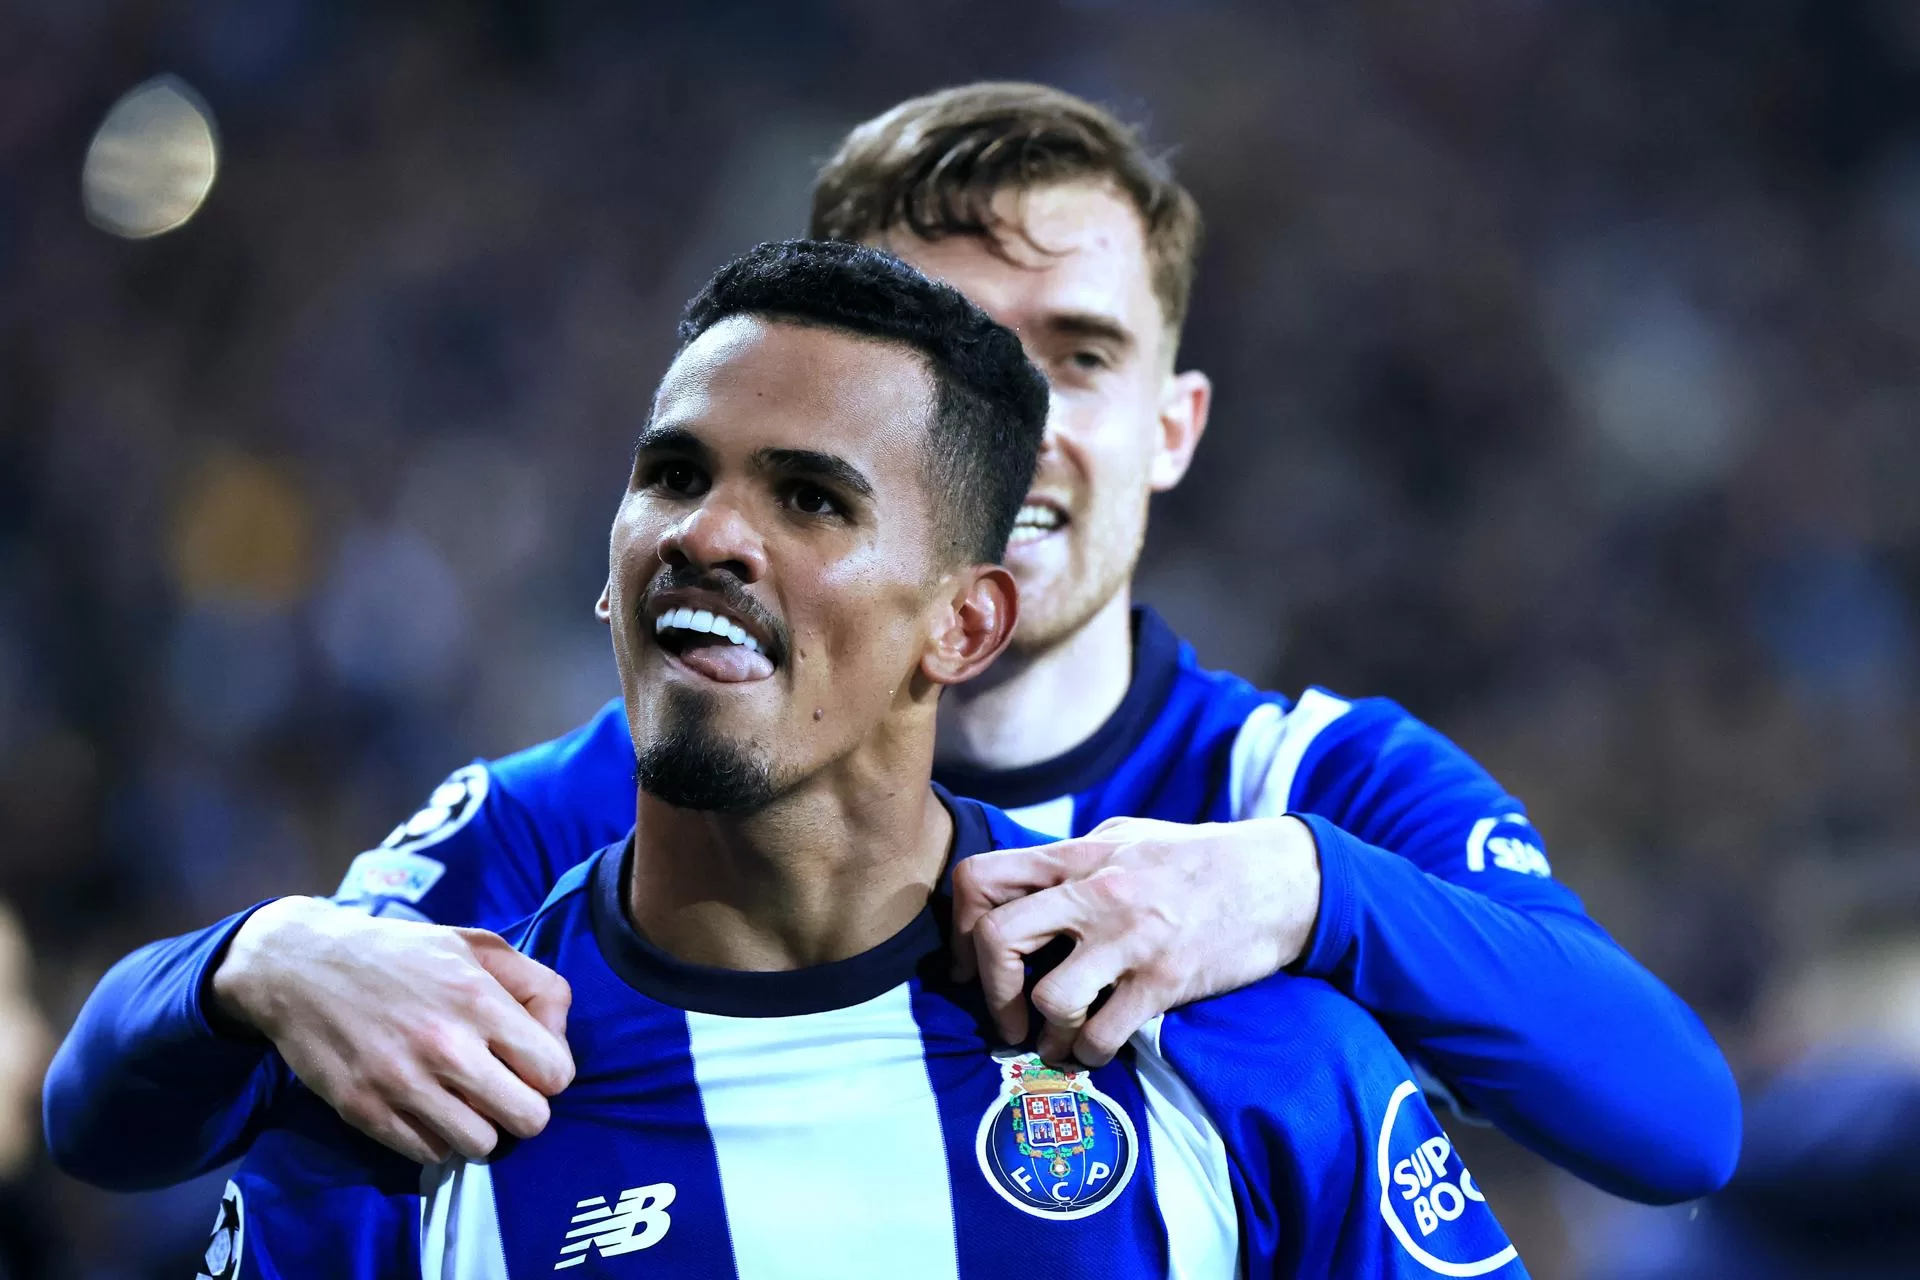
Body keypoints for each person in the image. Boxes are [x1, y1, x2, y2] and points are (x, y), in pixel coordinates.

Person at [46, 83, 1738, 1204]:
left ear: (1174, 422)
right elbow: (103, 1120)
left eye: (1077, 358)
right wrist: (255, 959)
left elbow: (1678, 1127)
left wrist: (1304, 892)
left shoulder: (1305, 786)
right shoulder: (575, 823)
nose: (1018, 427)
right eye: (955, 359)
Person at [213, 238, 1526, 1279]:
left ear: (965, 623)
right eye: (674, 477)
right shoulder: (415, 1093)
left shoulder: (1245, 1061)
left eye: (809, 499)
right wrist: (246, 956)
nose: (709, 535)